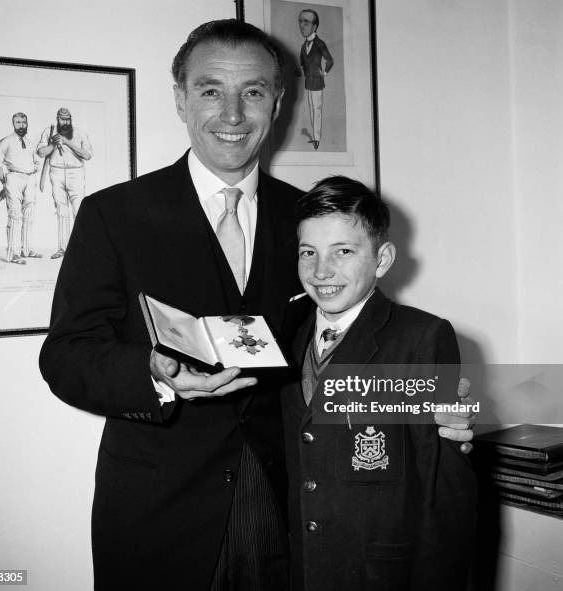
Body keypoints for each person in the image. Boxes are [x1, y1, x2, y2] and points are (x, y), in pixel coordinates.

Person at [39, 19, 474, 591]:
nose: (233, 114)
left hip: (290, 507)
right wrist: (153, 375)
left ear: (278, 101)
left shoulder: (305, 220)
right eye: (211, 90)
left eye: (253, 92)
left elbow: (355, 338)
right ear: (180, 99)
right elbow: (66, 356)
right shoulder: (112, 216)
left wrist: (435, 401)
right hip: (157, 515)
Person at [282, 176, 477, 591]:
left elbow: (444, 490)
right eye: (308, 253)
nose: (321, 271)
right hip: (302, 571)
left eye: (344, 252)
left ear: (383, 259)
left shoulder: (421, 339)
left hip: (381, 575)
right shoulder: (288, 337)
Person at [37, 107, 93, 259]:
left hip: (76, 173)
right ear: (57, 119)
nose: (65, 122)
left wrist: (67, 142)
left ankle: (83, 247)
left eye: (68, 119)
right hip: (56, 172)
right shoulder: (49, 131)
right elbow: (41, 153)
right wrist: (53, 144)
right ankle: (63, 249)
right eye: (62, 119)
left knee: (79, 210)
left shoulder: (80, 133)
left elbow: (88, 155)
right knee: (61, 211)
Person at [0, 112, 41, 264]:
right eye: (18, 122)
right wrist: (5, 183)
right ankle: (12, 254)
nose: (21, 125)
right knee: (15, 216)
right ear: (13, 124)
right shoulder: (4, 142)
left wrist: (32, 174)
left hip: (30, 179)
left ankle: (26, 250)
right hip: (13, 178)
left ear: (27, 123)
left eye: (24, 122)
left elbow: (37, 162)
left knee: (29, 214)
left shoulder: (31, 142)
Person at [298, 9, 334, 150]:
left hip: (318, 83)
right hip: (308, 82)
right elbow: (302, 63)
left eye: (306, 22)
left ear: (315, 26)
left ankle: (317, 138)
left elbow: (330, 60)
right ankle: (314, 137)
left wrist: (324, 73)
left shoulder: (320, 44)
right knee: (312, 110)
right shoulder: (302, 46)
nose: (302, 25)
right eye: (300, 21)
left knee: (317, 110)